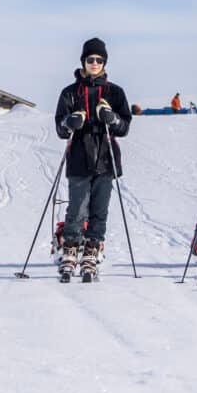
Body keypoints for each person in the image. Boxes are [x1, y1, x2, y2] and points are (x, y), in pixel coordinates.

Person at [54, 37, 132, 280]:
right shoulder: (69, 92)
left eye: (99, 60)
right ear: (83, 62)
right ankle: (70, 250)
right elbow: (59, 128)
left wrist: (113, 119)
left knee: (100, 209)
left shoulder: (115, 92)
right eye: (91, 59)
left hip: (106, 158)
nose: (95, 63)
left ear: (104, 62)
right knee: (77, 208)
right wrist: (70, 122)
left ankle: (91, 251)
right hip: (79, 156)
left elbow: (125, 127)